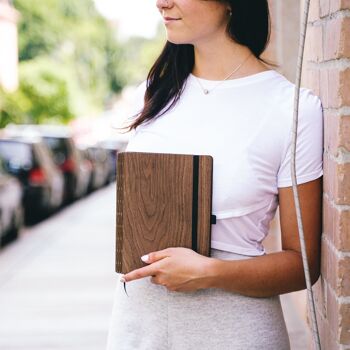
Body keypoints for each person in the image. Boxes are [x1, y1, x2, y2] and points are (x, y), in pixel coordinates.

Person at [106, 0, 323, 349]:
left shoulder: (292, 110)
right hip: (137, 331)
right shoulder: (150, 96)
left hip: (234, 333)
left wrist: (210, 272)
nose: (162, 2)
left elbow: (303, 265)